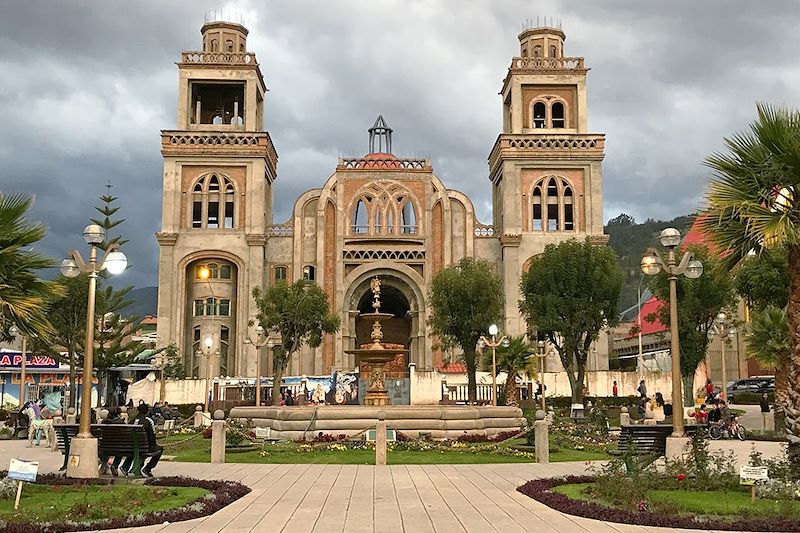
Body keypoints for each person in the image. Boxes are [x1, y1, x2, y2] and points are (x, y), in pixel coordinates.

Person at [120, 403, 163, 477]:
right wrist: (154, 445)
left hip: (130, 446)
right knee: (159, 449)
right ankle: (147, 468)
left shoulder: (133, 420)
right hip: (144, 447)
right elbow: (152, 436)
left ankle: (125, 466)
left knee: (135, 448)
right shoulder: (148, 420)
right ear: (147, 411)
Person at [100, 407, 124, 475]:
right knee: (122, 449)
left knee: (104, 448)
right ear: (119, 414)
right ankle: (115, 465)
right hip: (119, 448)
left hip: (105, 447)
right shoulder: (121, 423)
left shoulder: (103, 423)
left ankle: (104, 466)